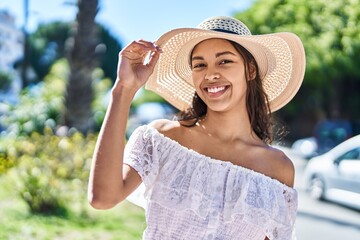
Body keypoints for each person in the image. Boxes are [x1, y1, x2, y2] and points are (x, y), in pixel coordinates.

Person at [88, 16, 306, 240]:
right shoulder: (162, 139)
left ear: (250, 70)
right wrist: (123, 89)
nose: (210, 74)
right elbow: (102, 198)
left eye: (224, 61)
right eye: (200, 65)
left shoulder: (277, 168)